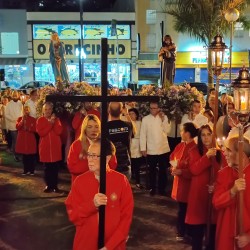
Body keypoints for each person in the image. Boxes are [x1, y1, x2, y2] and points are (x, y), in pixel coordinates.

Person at [65, 138, 134, 250]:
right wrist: (92, 205)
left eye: (94, 156)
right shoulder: (80, 181)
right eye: (89, 154)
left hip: (114, 245)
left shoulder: (121, 181)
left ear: (107, 158)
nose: (89, 159)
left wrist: (109, 247)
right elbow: (73, 215)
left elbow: (126, 219)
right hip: (85, 244)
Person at [185, 124, 226, 250]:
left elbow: (223, 173)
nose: (206, 138)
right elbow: (194, 170)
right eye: (203, 135)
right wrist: (207, 157)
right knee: (197, 237)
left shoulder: (220, 153)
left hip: (212, 196)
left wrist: (215, 186)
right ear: (199, 137)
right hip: (198, 196)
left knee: (212, 236)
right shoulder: (193, 151)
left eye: (209, 134)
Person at [213, 136, 250, 250]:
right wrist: (232, 191)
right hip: (226, 237)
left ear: (241, 155)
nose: (225, 153)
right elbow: (216, 202)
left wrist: (249, 237)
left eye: (229, 150)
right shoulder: (223, 173)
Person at [67, 114, 117, 184]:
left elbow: (113, 164)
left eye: (96, 127)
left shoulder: (105, 143)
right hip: (82, 184)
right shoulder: (76, 145)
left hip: (102, 183)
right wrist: (95, 166)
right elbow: (72, 167)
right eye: (90, 127)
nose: (94, 130)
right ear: (84, 129)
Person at [170, 122, 198, 241]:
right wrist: (173, 168)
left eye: (182, 131)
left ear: (187, 133)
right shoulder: (180, 145)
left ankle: (184, 232)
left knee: (185, 209)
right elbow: (172, 157)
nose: (181, 133)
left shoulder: (195, 148)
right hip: (179, 182)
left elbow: (194, 168)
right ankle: (182, 231)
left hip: (188, 184)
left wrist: (182, 171)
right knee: (181, 208)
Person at [140, 101, 171, 196]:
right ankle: (152, 188)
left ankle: (162, 189)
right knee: (152, 170)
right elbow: (143, 134)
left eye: (155, 108)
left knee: (163, 170)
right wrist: (143, 148)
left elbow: (168, 131)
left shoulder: (164, 117)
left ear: (158, 108)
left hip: (163, 148)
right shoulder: (145, 119)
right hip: (151, 148)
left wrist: (163, 120)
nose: (153, 110)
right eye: (151, 108)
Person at [36, 102, 63, 193]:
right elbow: (41, 133)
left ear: (52, 110)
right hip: (45, 148)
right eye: (46, 109)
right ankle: (48, 185)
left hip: (55, 148)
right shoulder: (40, 120)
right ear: (43, 110)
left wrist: (53, 122)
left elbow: (58, 131)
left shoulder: (57, 120)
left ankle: (55, 186)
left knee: (55, 169)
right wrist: (50, 124)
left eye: (49, 109)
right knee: (47, 169)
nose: (48, 111)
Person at [106, 102, 133, 179]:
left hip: (110, 163)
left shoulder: (104, 127)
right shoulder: (128, 125)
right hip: (125, 163)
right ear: (121, 111)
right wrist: (127, 114)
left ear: (109, 111)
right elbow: (134, 131)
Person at [15, 105, 37, 175]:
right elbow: (17, 127)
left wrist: (29, 129)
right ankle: (25, 170)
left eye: (27, 110)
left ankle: (31, 170)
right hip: (23, 140)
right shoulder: (19, 119)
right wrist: (22, 121)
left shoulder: (33, 119)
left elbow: (35, 129)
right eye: (24, 110)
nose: (26, 111)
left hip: (30, 139)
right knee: (24, 157)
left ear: (29, 111)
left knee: (31, 156)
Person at [5, 90, 23, 161]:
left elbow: (22, 112)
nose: (15, 96)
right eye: (14, 95)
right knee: (15, 140)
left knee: (20, 140)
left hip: (20, 125)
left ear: (18, 95)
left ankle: (20, 153)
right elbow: (6, 115)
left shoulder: (20, 103)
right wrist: (14, 119)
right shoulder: (9, 104)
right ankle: (16, 154)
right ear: (12, 96)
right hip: (13, 125)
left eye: (16, 94)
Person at [128, 107, 144, 189]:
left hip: (137, 144)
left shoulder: (140, 123)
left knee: (137, 165)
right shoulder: (127, 123)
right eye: (129, 114)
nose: (131, 115)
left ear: (136, 115)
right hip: (130, 144)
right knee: (130, 165)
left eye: (133, 114)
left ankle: (138, 181)